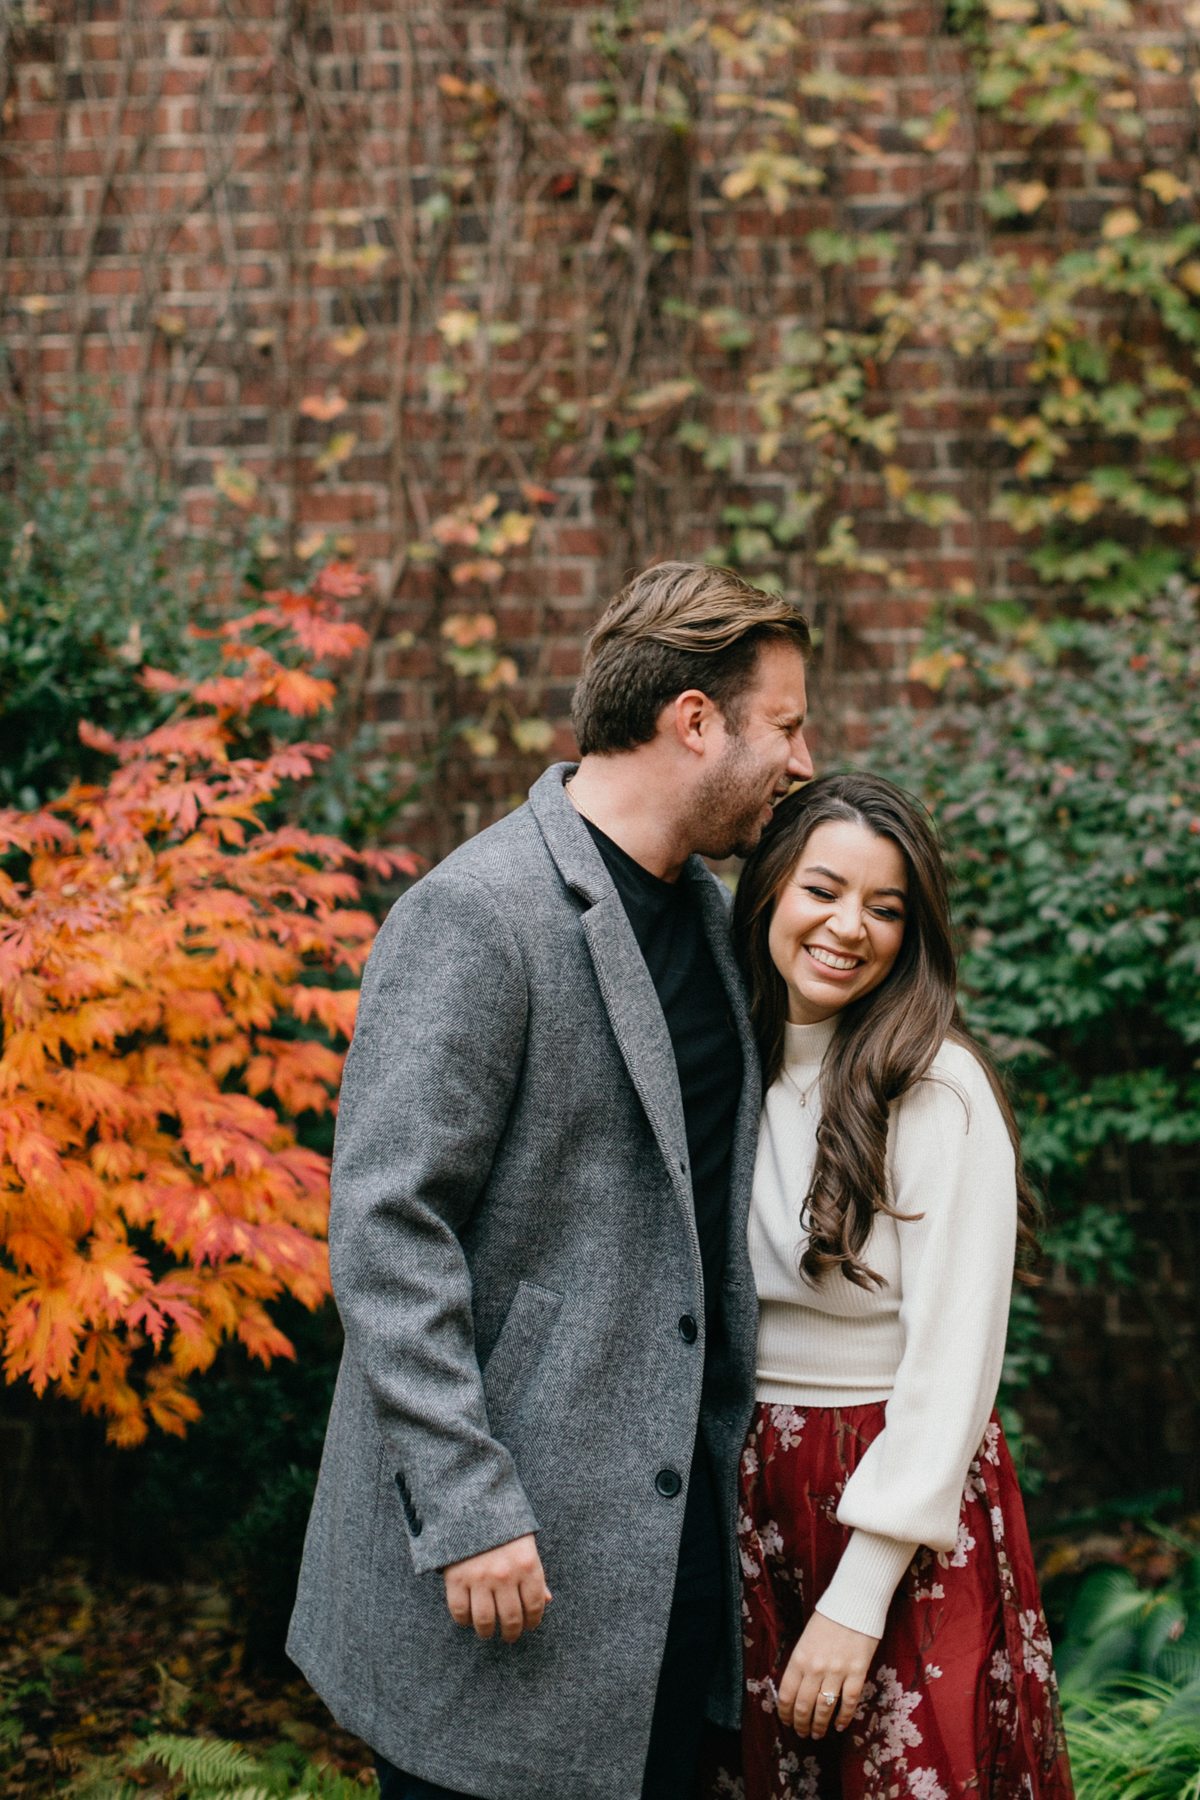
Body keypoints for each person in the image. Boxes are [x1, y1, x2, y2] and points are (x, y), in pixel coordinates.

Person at [287, 563, 814, 1800]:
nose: (803, 761)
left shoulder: (711, 918)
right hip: (500, 1555)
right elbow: (386, 1228)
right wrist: (467, 1503)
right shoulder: (478, 913)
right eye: (787, 726)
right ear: (697, 721)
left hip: (667, 1559)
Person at [722, 772, 1074, 1800]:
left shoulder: (937, 1086)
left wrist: (861, 1590)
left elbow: (955, 1361)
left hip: (898, 1495)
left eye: (885, 908)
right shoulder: (722, 1062)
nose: (849, 927)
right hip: (749, 1490)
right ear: (769, 890)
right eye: (823, 890)